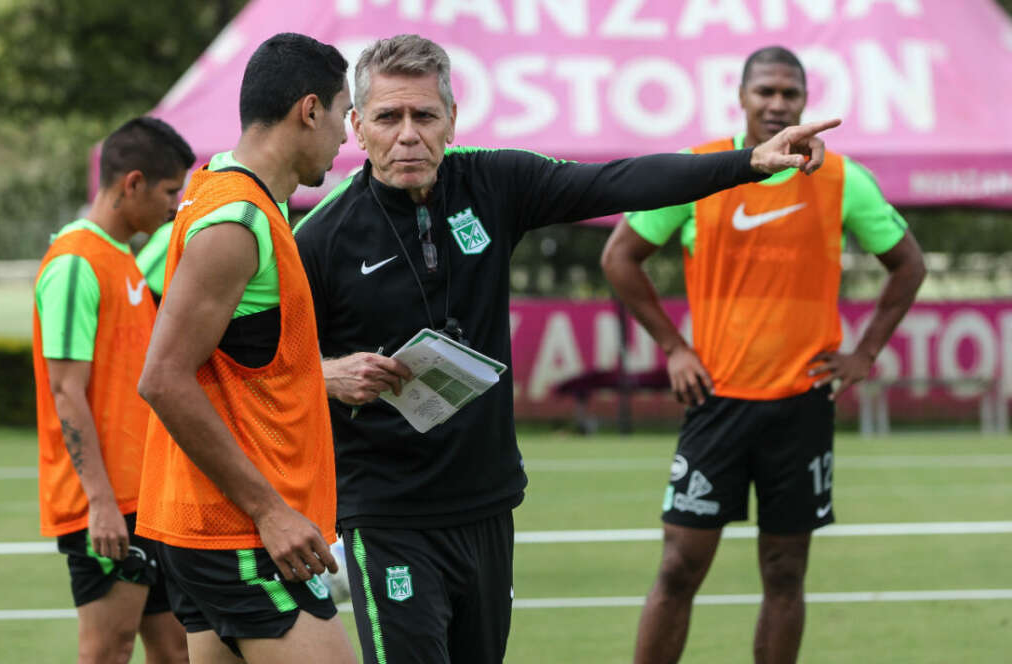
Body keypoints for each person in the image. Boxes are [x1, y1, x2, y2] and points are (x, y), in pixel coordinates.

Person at [294, 33, 840, 664]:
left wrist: (747, 162)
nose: (408, 134)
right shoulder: (322, 239)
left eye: (425, 115)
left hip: (487, 502)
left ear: (452, 121)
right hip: (385, 513)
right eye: (389, 117)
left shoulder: (494, 182)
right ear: (358, 127)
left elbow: (618, 182)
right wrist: (329, 375)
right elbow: (259, 367)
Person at [600, 46, 927, 664]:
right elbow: (619, 257)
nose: (778, 104)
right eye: (766, 92)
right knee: (678, 567)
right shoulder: (701, 169)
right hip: (715, 401)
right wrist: (674, 347)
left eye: (790, 94)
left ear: (804, 101)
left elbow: (908, 265)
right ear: (743, 97)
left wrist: (865, 353)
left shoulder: (842, 178)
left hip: (800, 406)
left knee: (784, 573)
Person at [134, 33, 357, 664]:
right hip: (240, 531)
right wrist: (271, 512)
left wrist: (323, 379)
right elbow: (163, 378)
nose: (346, 135)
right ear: (308, 110)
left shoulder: (233, 195)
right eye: (343, 113)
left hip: (214, 527)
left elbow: (237, 360)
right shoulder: (237, 218)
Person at [32, 116, 193, 664]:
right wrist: (100, 503)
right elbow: (65, 391)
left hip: (147, 498)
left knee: (175, 648)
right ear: (132, 184)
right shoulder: (76, 262)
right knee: (108, 650)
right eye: (171, 191)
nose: (176, 207)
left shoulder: (122, 256)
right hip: (103, 505)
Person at [136, 220, 176, 304]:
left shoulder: (171, 228)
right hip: (153, 290)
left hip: (153, 289)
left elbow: (148, 257)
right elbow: (149, 258)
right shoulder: (172, 229)